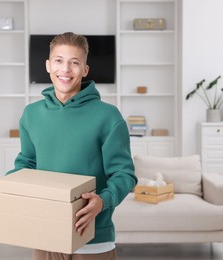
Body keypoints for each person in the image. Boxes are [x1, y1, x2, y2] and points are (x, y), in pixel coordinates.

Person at [7, 32, 137, 260]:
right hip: (45, 233)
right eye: (59, 61)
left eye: (74, 62)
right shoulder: (31, 114)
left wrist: (103, 201)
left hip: (92, 238)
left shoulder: (108, 116)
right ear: (48, 65)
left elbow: (124, 174)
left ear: (85, 70)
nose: (65, 69)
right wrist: (11, 187)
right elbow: (27, 163)